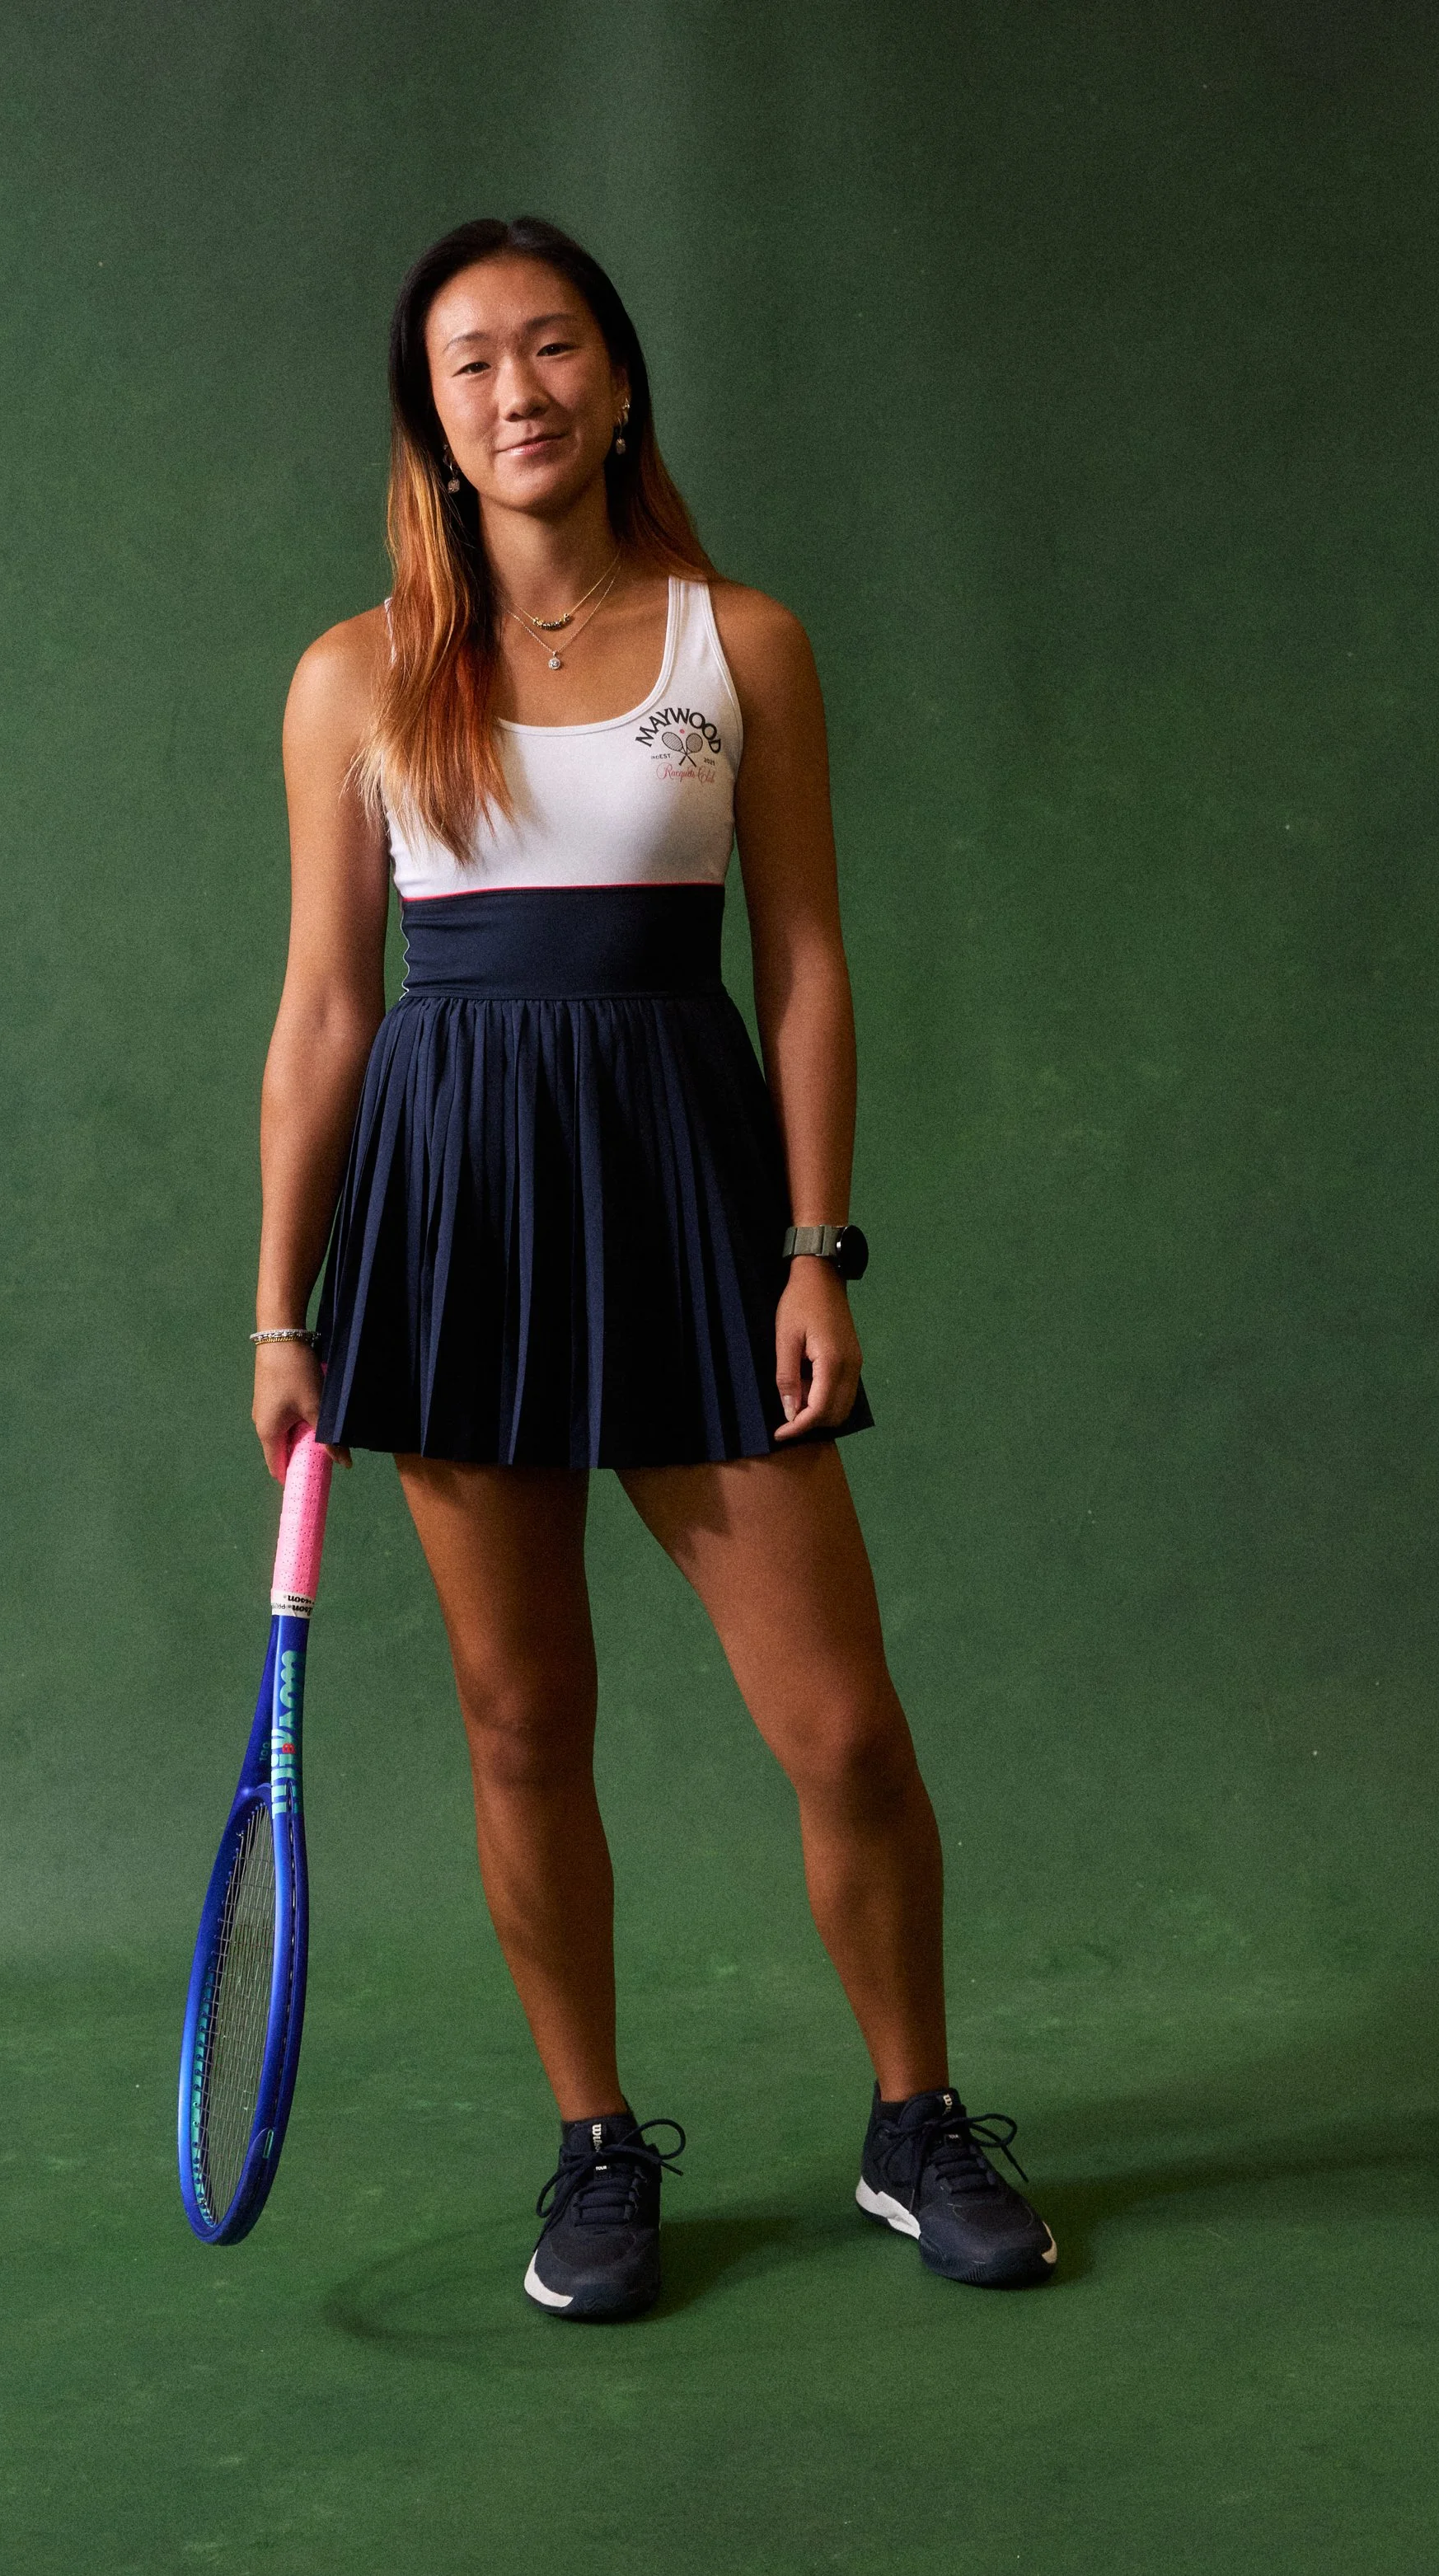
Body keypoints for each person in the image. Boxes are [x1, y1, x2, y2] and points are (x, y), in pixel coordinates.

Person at [251, 214, 1055, 2320]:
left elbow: (799, 962)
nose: (515, 392)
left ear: (617, 380)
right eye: (468, 366)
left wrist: (812, 1247)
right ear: (427, 420)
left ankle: (912, 2118)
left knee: (845, 1730)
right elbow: (326, 1011)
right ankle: (596, 2146)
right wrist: (281, 1306)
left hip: (697, 1215)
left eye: (550, 348)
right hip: (452, 1230)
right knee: (523, 1727)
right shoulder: (352, 675)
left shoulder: (743, 643)